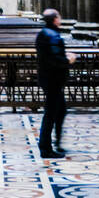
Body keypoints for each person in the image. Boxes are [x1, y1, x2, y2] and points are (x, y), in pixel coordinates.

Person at [35, 8, 75, 159]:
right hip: (53, 80)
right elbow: (54, 60)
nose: (61, 18)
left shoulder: (45, 33)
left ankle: (56, 142)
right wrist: (68, 60)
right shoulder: (52, 36)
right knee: (51, 113)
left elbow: (50, 55)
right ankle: (45, 147)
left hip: (49, 79)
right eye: (59, 16)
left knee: (60, 111)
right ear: (55, 20)